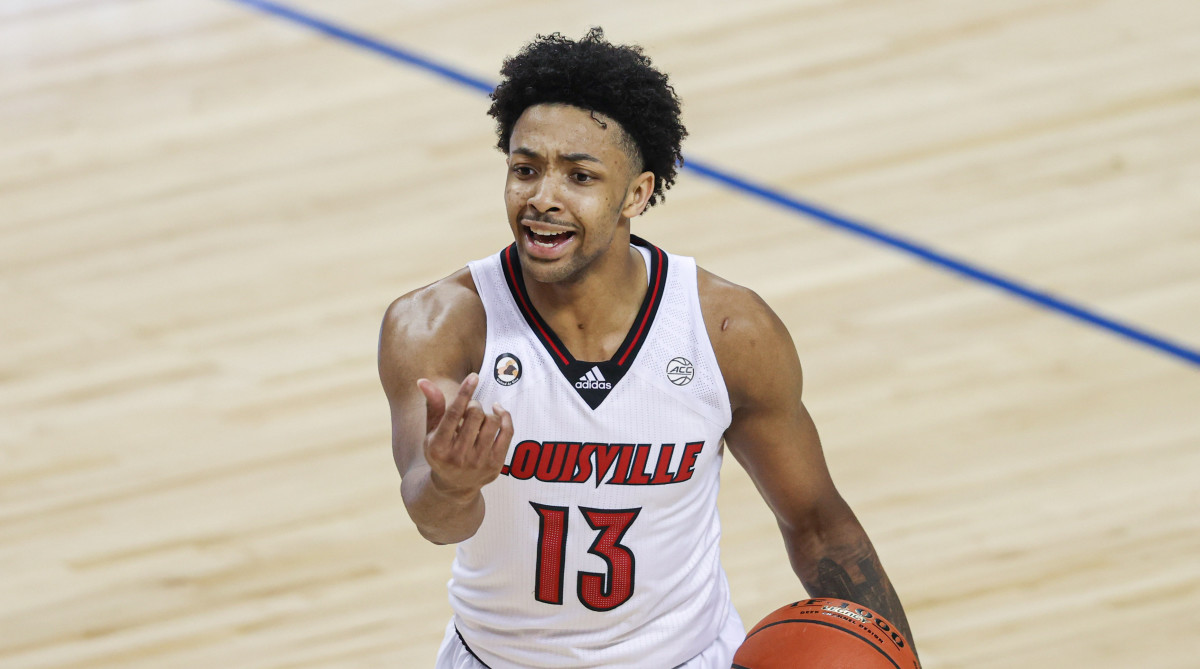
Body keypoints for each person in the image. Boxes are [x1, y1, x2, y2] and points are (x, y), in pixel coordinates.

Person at [378, 28, 917, 669]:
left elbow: (820, 526)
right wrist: (453, 484)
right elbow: (436, 522)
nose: (542, 197)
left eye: (579, 176)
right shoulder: (437, 325)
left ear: (636, 194)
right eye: (525, 170)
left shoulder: (727, 332)